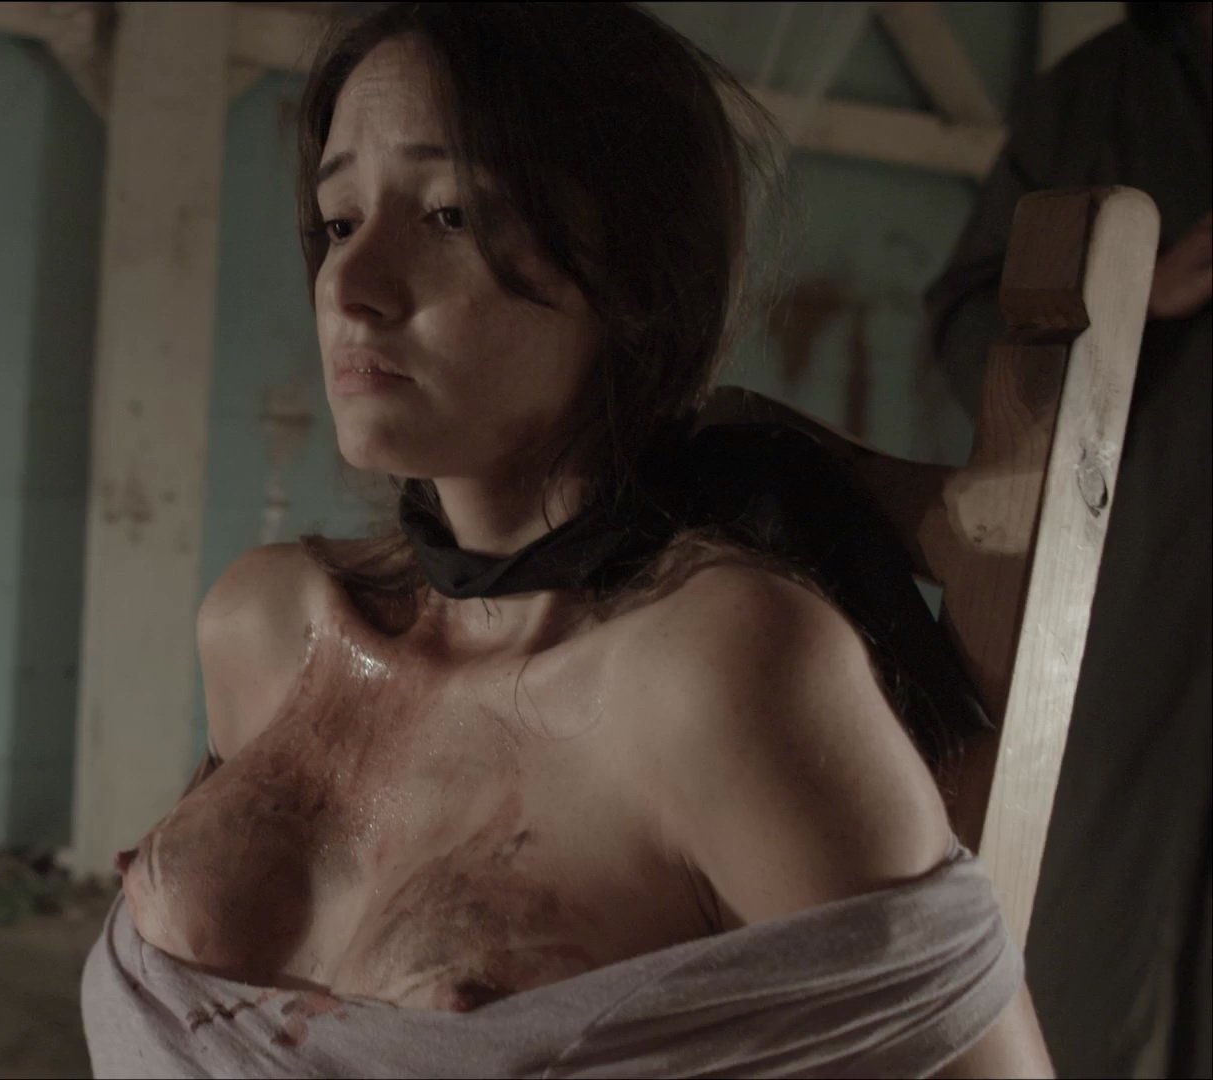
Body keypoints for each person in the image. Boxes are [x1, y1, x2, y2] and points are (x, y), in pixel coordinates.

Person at [82, 4, 1053, 1075]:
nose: (350, 290)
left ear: (633, 276)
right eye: (341, 220)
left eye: (449, 214)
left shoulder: (720, 674)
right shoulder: (265, 626)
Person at [923, 3, 1212, 1076]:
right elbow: (967, 321)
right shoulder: (1104, 92)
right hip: (1125, 588)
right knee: (1092, 922)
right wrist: (1137, 293)